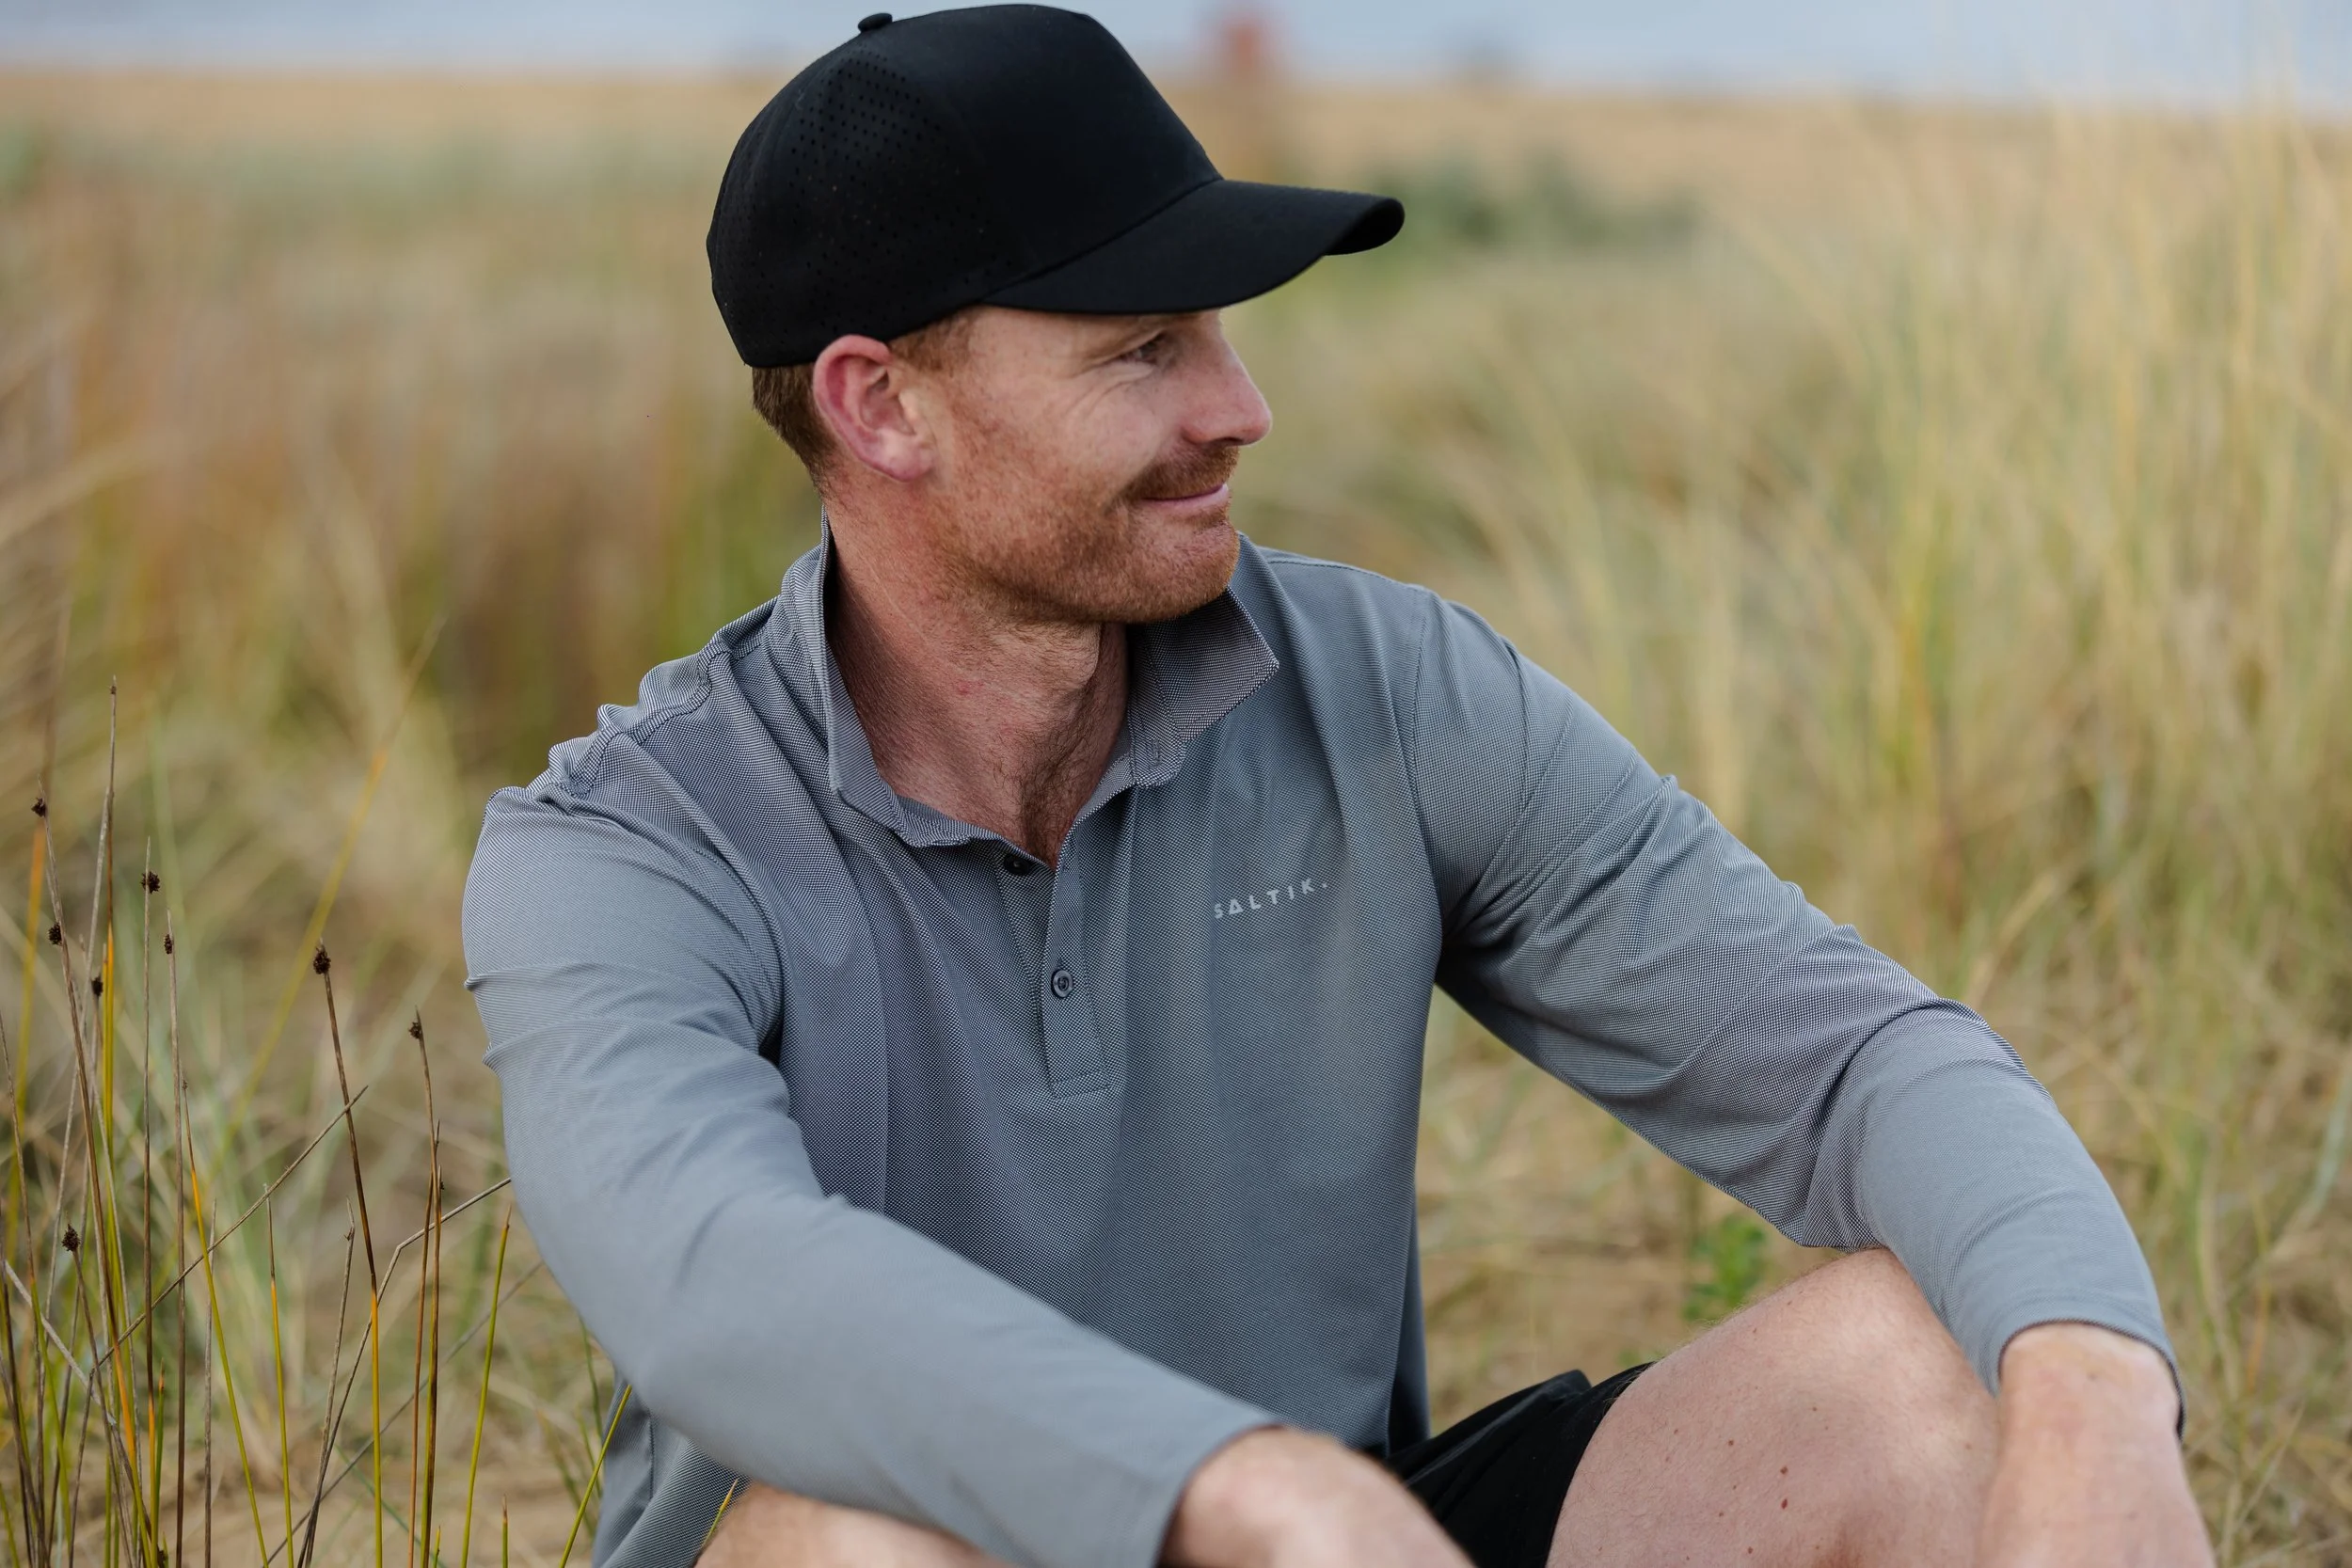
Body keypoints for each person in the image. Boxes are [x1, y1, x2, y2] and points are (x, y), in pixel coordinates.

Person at [461, 8, 2212, 1566]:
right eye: (1141, 347)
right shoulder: (630, 845)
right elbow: (721, 1279)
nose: (1242, 404)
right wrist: (1241, 1486)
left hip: (1346, 1529)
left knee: (1935, 1361)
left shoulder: (1388, 689)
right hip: (1176, 1529)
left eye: (1216, 329)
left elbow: (1851, 1062)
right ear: (883, 406)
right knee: (853, 1536)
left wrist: (2093, 1399)